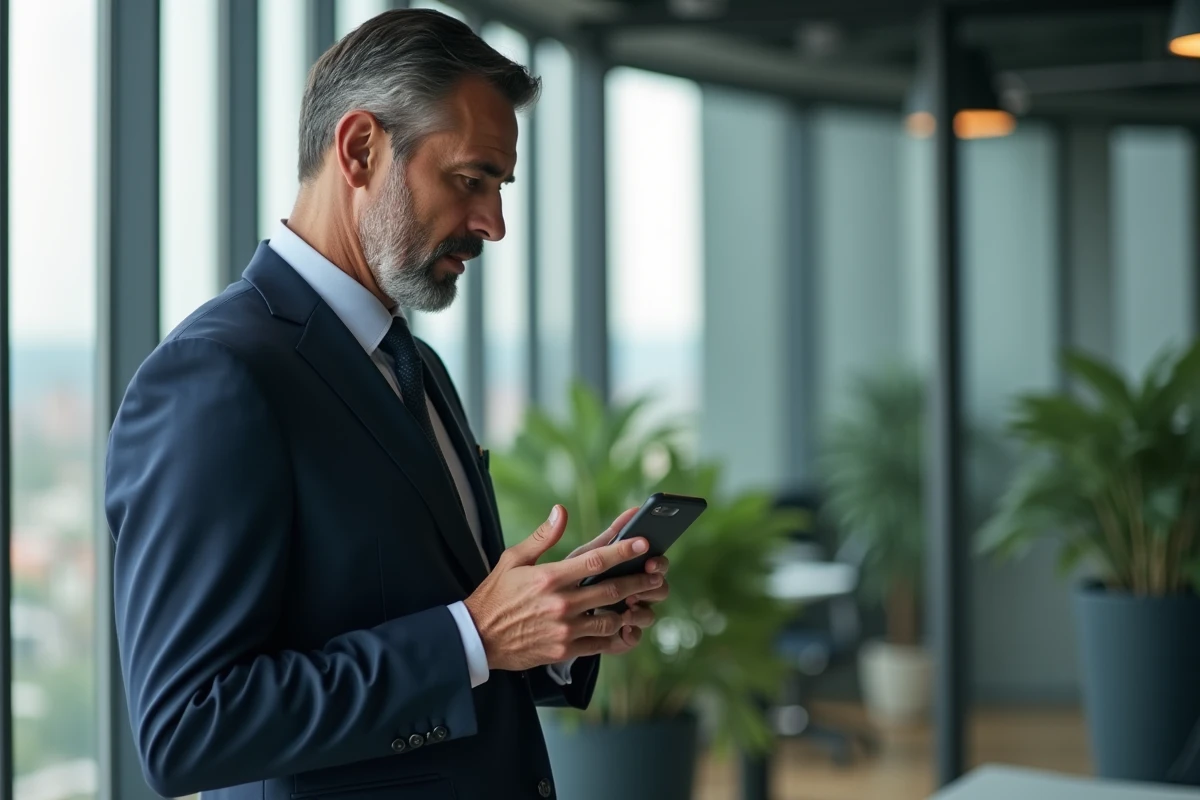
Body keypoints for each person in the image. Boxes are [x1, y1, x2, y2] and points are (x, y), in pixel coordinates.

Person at [104, 10, 670, 799]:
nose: (494, 224)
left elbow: (444, 636)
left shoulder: (416, 365)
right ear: (361, 148)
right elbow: (188, 726)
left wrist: (553, 627)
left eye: (500, 188)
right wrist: (473, 636)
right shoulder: (215, 376)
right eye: (471, 179)